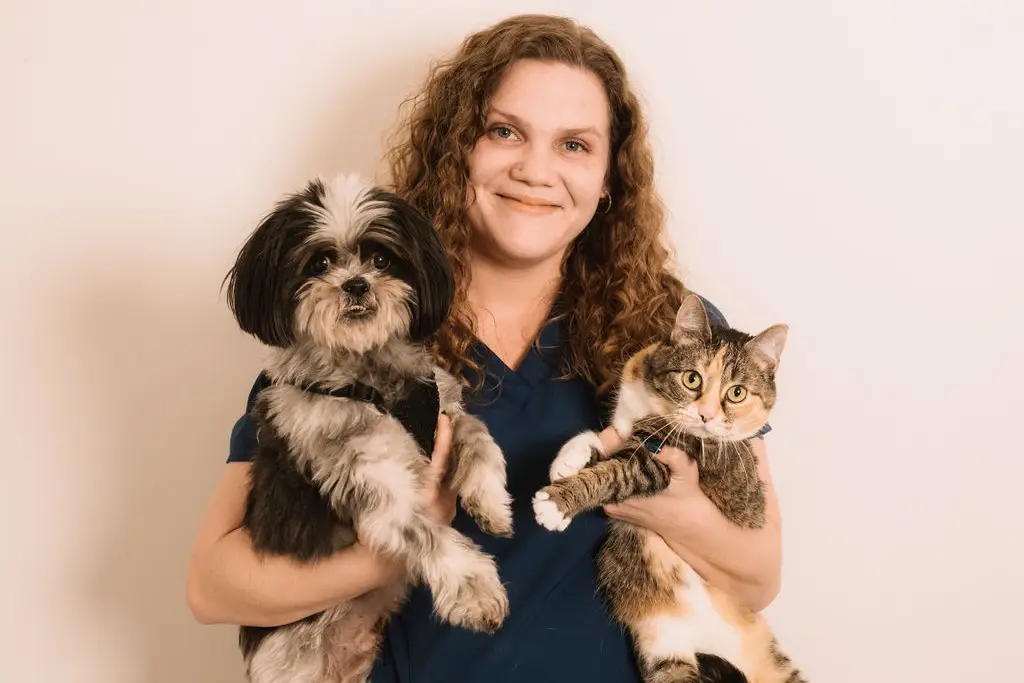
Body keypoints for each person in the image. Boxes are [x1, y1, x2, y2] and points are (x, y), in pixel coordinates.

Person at [186, 13, 783, 682]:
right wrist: (395, 552)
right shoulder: (354, 332)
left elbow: (757, 577)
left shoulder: (676, 343)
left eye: (575, 146)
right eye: (505, 132)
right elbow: (212, 586)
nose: (535, 169)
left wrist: (677, 511)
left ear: (611, 177)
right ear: (458, 149)